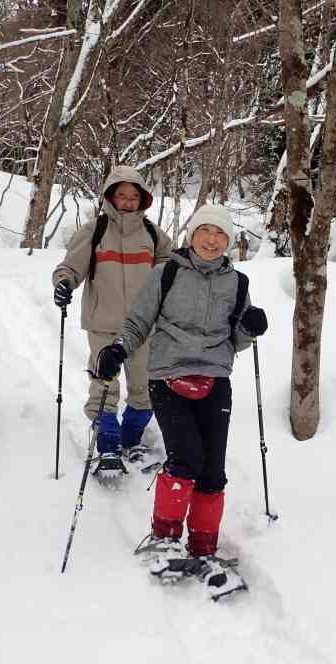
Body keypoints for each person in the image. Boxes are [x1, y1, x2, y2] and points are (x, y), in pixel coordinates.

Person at [94, 204, 268, 574]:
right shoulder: (167, 273)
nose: (212, 239)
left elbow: (236, 340)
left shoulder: (237, 284)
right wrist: (118, 349)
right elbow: (139, 321)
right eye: (206, 230)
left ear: (229, 240)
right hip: (168, 375)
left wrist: (250, 328)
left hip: (216, 379)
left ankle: (204, 546)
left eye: (220, 234)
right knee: (187, 458)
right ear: (192, 234)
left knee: (212, 471)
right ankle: (164, 537)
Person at [52, 166, 172, 476]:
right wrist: (64, 283)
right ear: (110, 196)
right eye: (122, 195)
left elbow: (170, 275)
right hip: (103, 324)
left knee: (144, 388)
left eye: (134, 196)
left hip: (144, 327)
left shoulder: (153, 235)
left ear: (142, 198)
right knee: (104, 385)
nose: (128, 201)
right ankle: (107, 445)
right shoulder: (94, 231)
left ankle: (130, 439)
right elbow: (70, 267)